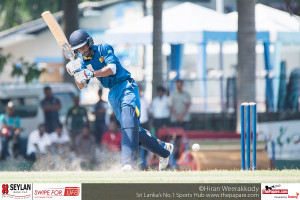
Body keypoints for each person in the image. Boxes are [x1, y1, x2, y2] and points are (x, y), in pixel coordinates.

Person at [66, 29, 173, 170]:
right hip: (112, 93)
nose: (82, 50)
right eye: (78, 48)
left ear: (89, 42)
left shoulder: (103, 48)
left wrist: (90, 73)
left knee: (129, 120)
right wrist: (75, 73)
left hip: (126, 85)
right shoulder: (83, 62)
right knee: (130, 130)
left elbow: (112, 69)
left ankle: (128, 163)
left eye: (83, 46)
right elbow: (81, 86)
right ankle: (164, 150)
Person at [169, 79, 191, 160]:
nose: (179, 86)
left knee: (185, 138)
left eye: (180, 84)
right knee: (175, 139)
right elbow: (171, 107)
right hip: (175, 120)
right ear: (175, 85)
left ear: (182, 85)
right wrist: (177, 117)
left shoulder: (186, 95)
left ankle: (186, 156)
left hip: (185, 120)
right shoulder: (172, 95)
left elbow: (188, 106)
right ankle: (175, 157)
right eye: (177, 84)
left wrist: (181, 116)